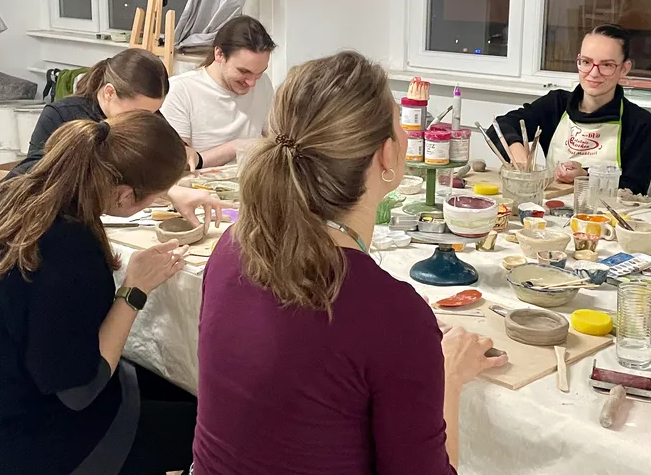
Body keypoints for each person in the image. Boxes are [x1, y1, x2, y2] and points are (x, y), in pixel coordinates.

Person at [193, 51, 507, 475]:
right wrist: (447, 375)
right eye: (399, 118)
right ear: (387, 154)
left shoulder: (232, 246)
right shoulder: (391, 311)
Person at [0, 111, 197, 474]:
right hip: (13, 441)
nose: (155, 204)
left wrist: (165, 186)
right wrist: (135, 289)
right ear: (124, 194)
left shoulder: (33, 178)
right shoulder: (67, 248)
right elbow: (81, 392)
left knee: (172, 388)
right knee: (206, 429)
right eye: (152, 198)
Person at [0, 48, 221, 228]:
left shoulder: (149, 114)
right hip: (65, 223)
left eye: (154, 112)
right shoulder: (61, 115)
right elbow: (39, 184)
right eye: (138, 113)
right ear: (109, 93)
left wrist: (175, 180)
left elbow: (162, 163)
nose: (147, 120)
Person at [486, 24, 651, 194]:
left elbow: (635, 188)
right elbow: (499, 126)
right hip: (552, 211)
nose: (593, 73)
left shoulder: (639, 123)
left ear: (624, 68)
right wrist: (519, 156)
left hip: (607, 217)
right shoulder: (556, 105)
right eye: (586, 62)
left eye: (606, 65)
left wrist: (586, 175)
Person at [160, 15, 276, 168]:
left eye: (260, 72)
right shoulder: (180, 89)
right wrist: (236, 148)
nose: (252, 82)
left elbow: (273, 138)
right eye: (243, 71)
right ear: (219, 54)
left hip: (251, 181)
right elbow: (180, 163)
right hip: (199, 187)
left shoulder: (264, 83)